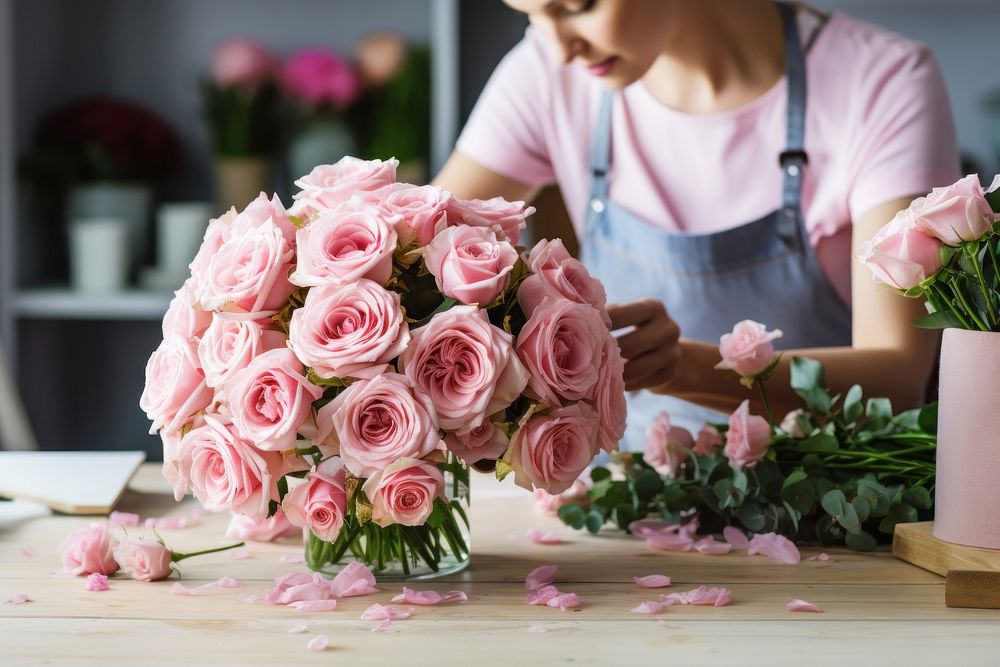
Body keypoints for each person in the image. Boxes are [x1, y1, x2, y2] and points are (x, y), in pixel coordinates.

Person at [432, 0, 960, 449]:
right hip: (612, 511)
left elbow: (898, 377)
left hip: (830, 499)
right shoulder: (547, 74)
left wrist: (683, 367)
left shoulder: (882, 83)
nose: (561, 46)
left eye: (576, 7)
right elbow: (416, 250)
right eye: (529, 14)